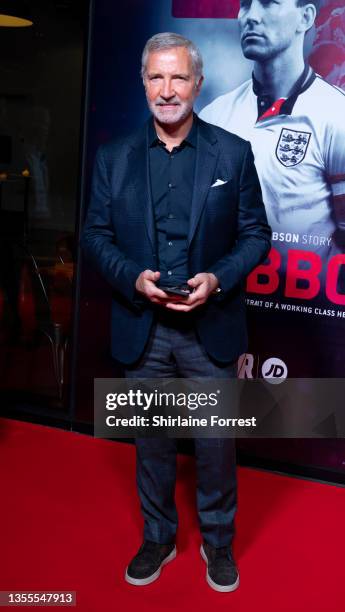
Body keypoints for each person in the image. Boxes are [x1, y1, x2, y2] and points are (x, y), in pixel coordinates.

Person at [81, 32, 271, 592]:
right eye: (156, 78)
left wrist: (217, 280)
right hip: (143, 328)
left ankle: (218, 544)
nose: (168, 90)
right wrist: (132, 279)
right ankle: (159, 537)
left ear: (197, 83)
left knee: (215, 447)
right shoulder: (113, 158)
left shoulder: (232, 153)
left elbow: (256, 235)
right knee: (152, 444)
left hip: (208, 328)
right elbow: (95, 237)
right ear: (143, 83)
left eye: (178, 77)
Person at [200, 0, 345, 261]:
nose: (250, 17)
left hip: (302, 300)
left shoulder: (337, 114)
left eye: (268, 3)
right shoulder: (213, 117)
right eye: (245, 4)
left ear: (306, 17)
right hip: (227, 298)